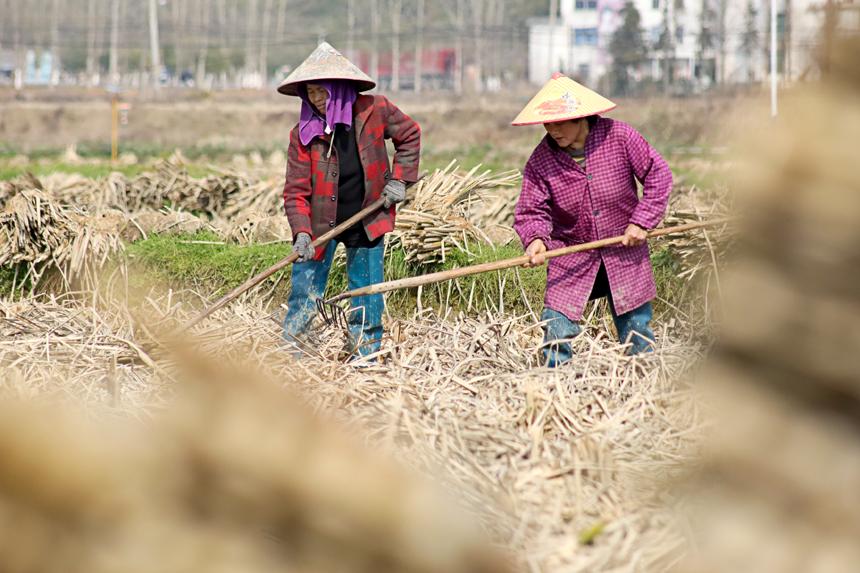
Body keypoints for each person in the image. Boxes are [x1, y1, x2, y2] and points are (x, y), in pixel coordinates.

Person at [511, 73, 672, 367]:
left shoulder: (620, 138)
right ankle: (555, 389)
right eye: (547, 123)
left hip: (624, 250)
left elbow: (658, 175)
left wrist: (642, 221)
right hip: (572, 254)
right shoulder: (541, 161)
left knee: (637, 331)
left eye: (559, 122)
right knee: (555, 328)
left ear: (580, 118)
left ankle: (643, 385)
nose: (552, 130)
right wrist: (535, 240)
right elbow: (531, 210)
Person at [277, 42, 420, 359]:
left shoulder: (375, 110)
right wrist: (301, 232)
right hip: (319, 226)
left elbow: (409, 135)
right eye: (310, 93)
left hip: (366, 219)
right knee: (305, 293)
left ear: (339, 88)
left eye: (322, 91)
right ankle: (290, 357)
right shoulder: (303, 133)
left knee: (367, 293)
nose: (316, 99)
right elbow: (296, 190)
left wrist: (399, 179)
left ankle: (365, 357)